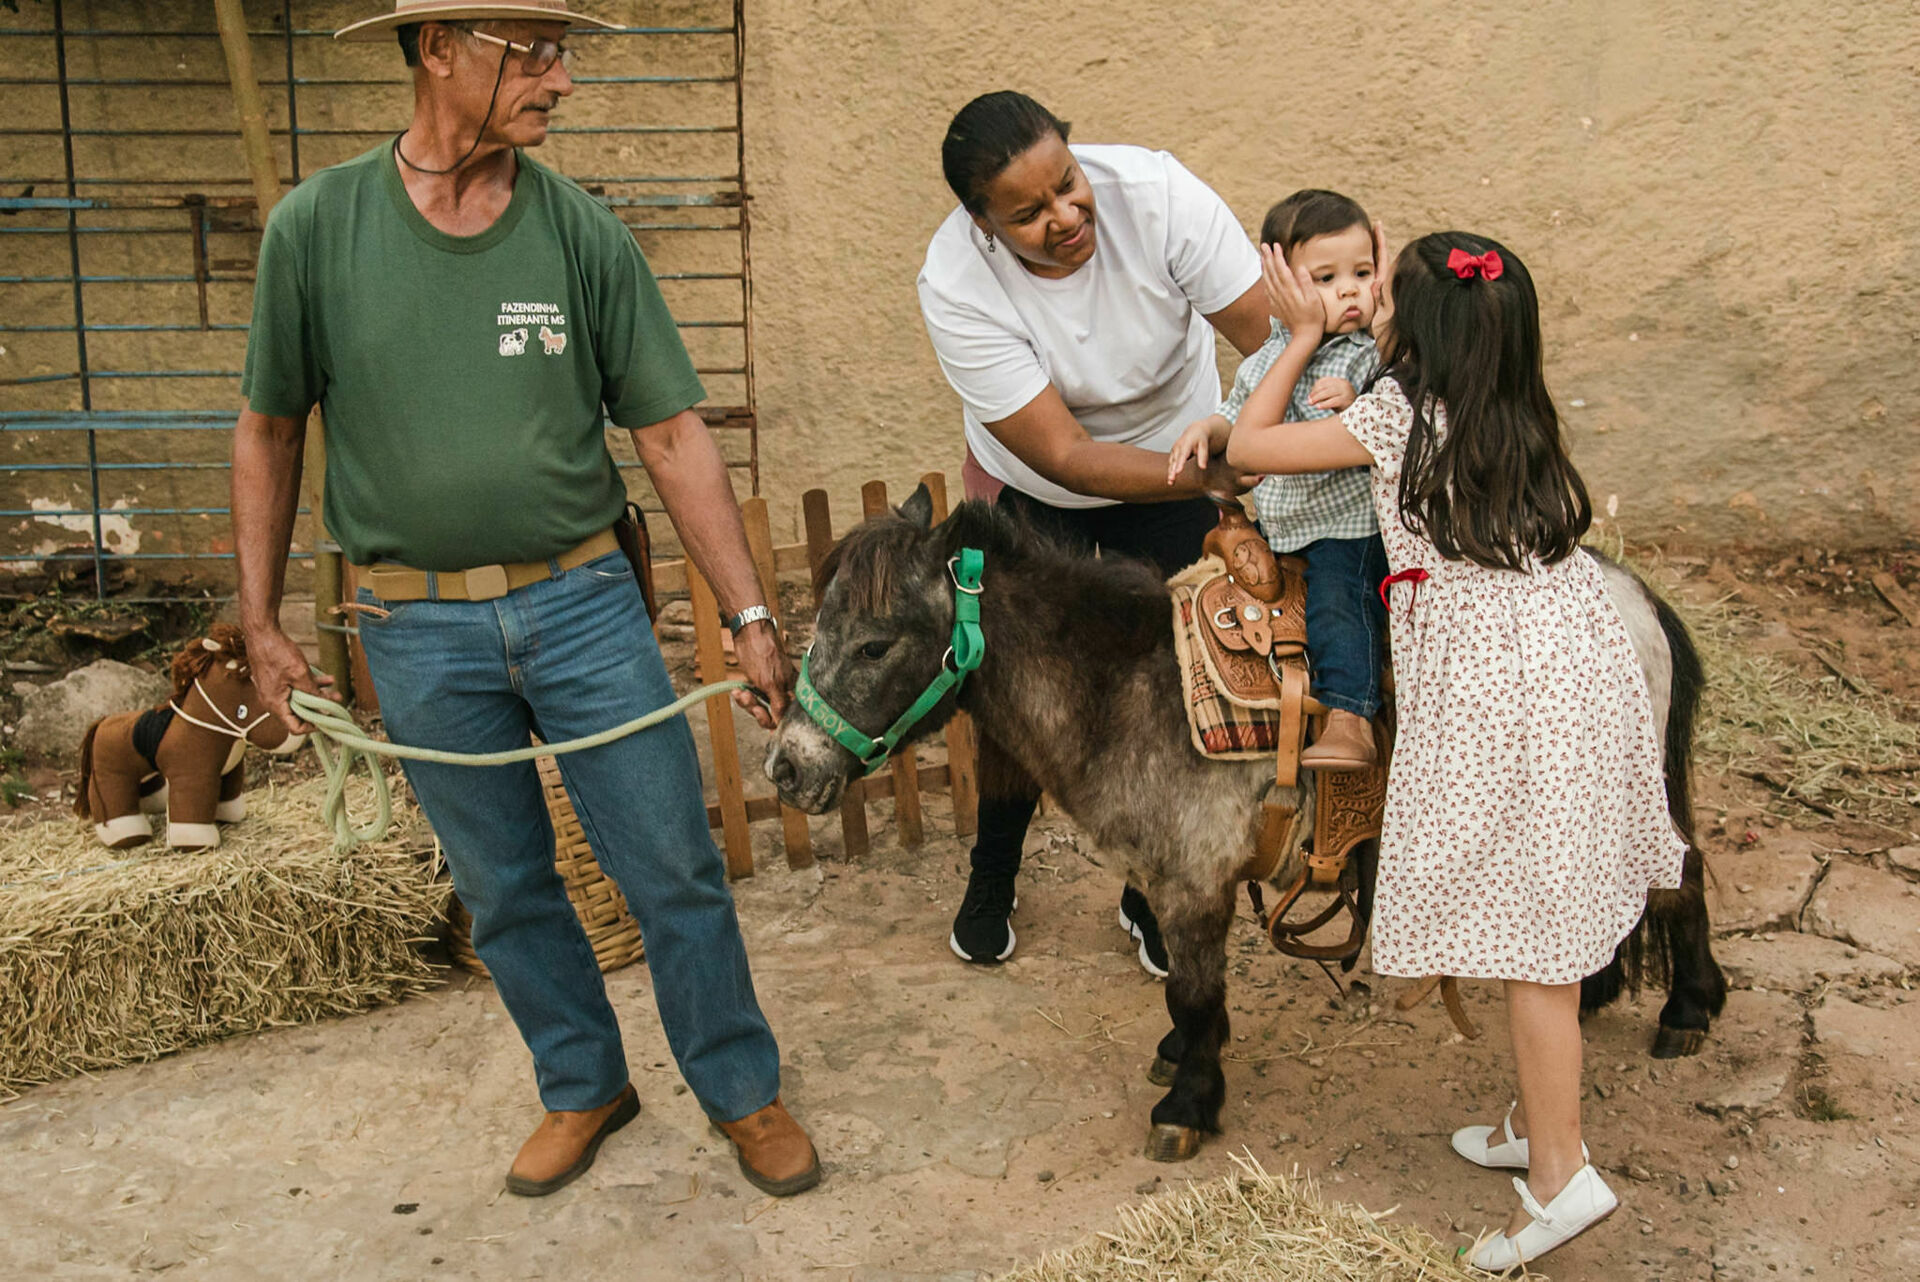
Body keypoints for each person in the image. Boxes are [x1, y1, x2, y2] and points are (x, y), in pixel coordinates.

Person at [231, 1, 819, 1201]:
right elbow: (270, 428)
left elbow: (667, 431)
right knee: (502, 886)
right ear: (439, 50)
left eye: (562, 53)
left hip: (585, 606)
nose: (559, 78)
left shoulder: (580, 233)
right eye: (532, 53)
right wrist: (262, 621)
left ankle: (740, 1088)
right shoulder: (317, 229)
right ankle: (582, 1082)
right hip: (413, 627)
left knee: (671, 866)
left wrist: (752, 615)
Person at [1223, 230, 1685, 1270]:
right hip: (1569, 662)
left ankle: (1563, 1177)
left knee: (1532, 946)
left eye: (1382, 293)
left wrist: (1299, 337)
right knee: (1542, 916)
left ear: (1414, 329)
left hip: (1498, 691)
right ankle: (1536, 1118)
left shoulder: (1393, 417)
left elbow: (1249, 448)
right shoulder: (1513, 405)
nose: (1366, 302)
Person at [917, 90, 1270, 974]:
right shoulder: (955, 283)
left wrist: (1250, 438)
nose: (1065, 217)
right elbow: (1069, 455)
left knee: (1182, 684)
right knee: (1018, 696)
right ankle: (992, 876)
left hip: (1183, 456)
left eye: (1069, 186)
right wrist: (1211, 471)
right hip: (1042, 488)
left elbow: (1268, 342)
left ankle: (1150, 891)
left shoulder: (1158, 196)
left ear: (1077, 155)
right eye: (1028, 214)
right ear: (982, 223)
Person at [1167, 189, 1388, 771]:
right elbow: (1239, 415)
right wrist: (1210, 431)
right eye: (1325, 277)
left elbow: (1395, 411)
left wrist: (1358, 397)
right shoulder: (1267, 356)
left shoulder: (1367, 354)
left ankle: (1350, 717)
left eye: (1362, 273)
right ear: (1280, 286)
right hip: (1284, 530)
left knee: (1341, 606)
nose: (1348, 290)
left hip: (1347, 529)